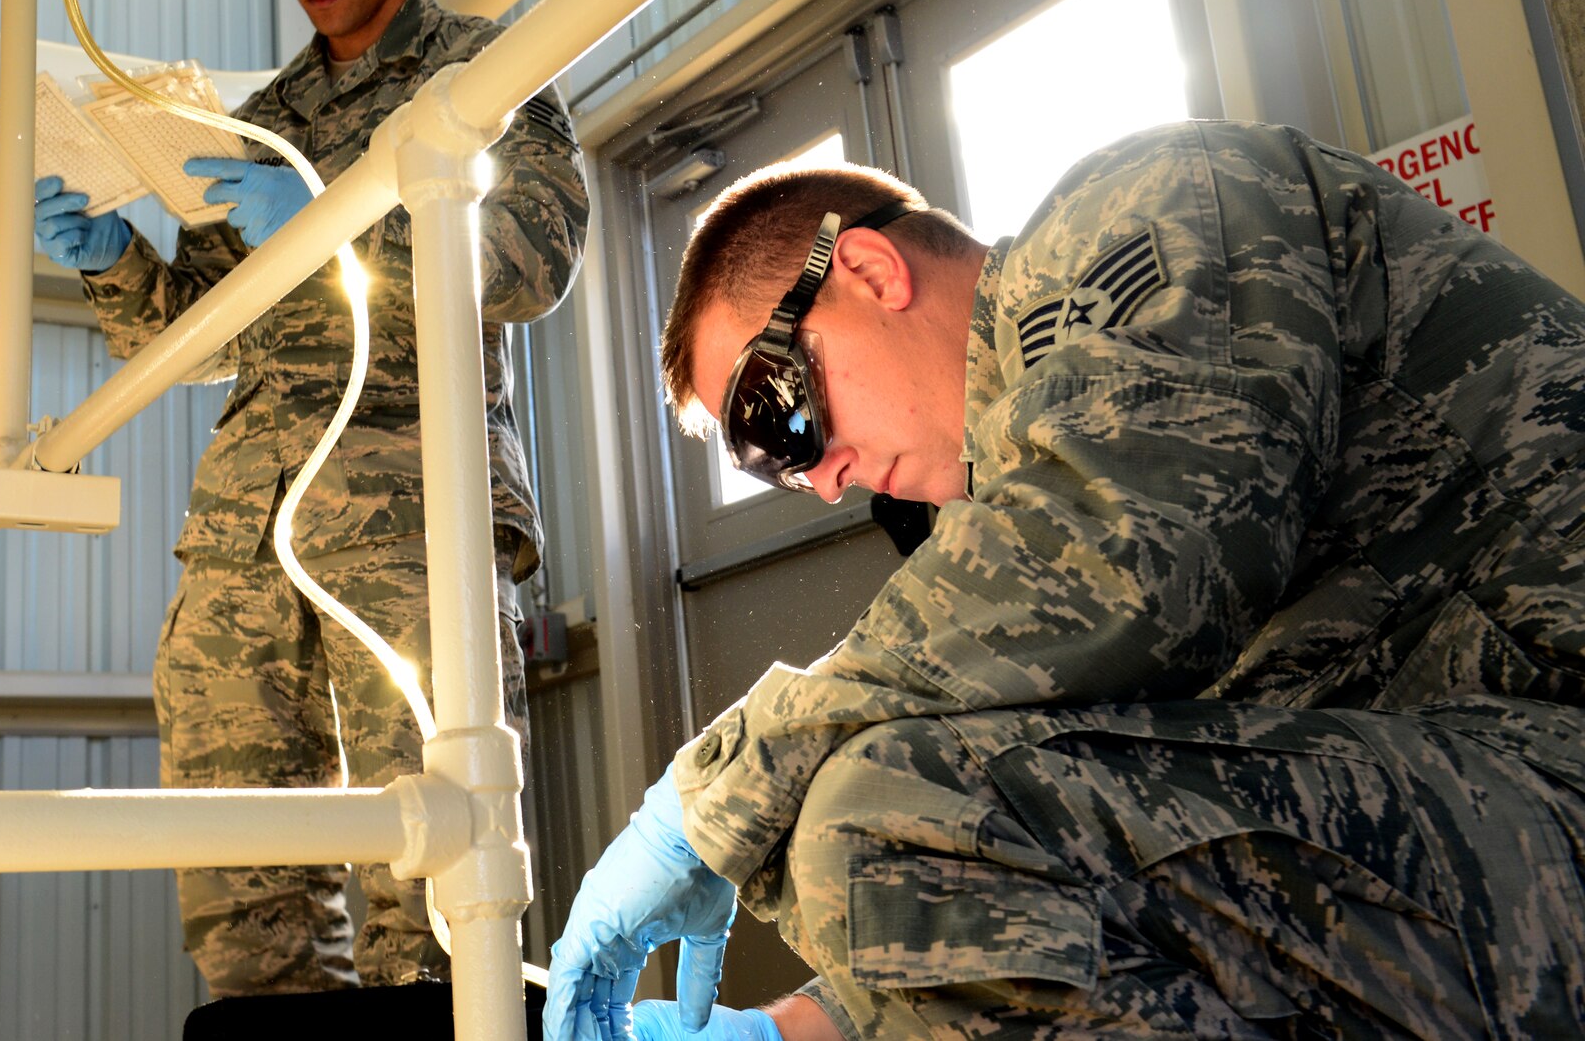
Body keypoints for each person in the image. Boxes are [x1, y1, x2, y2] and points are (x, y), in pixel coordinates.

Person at [546, 120, 1585, 1040]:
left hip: (1547, 771)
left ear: (866, 270)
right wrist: (795, 1028)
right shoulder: (1023, 505)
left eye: (777, 412)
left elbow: (1132, 556)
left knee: (880, 798)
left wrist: (707, 795)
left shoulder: (1148, 203)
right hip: (1477, 836)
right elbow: (1132, 831)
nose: (816, 480)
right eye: (768, 465)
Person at [32, 0, 589, 996]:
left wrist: (343, 212)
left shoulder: (482, 77)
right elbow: (200, 338)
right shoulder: (263, 117)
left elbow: (532, 264)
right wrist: (112, 258)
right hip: (247, 519)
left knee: (432, 861)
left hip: (404, 502)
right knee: (238, 865)